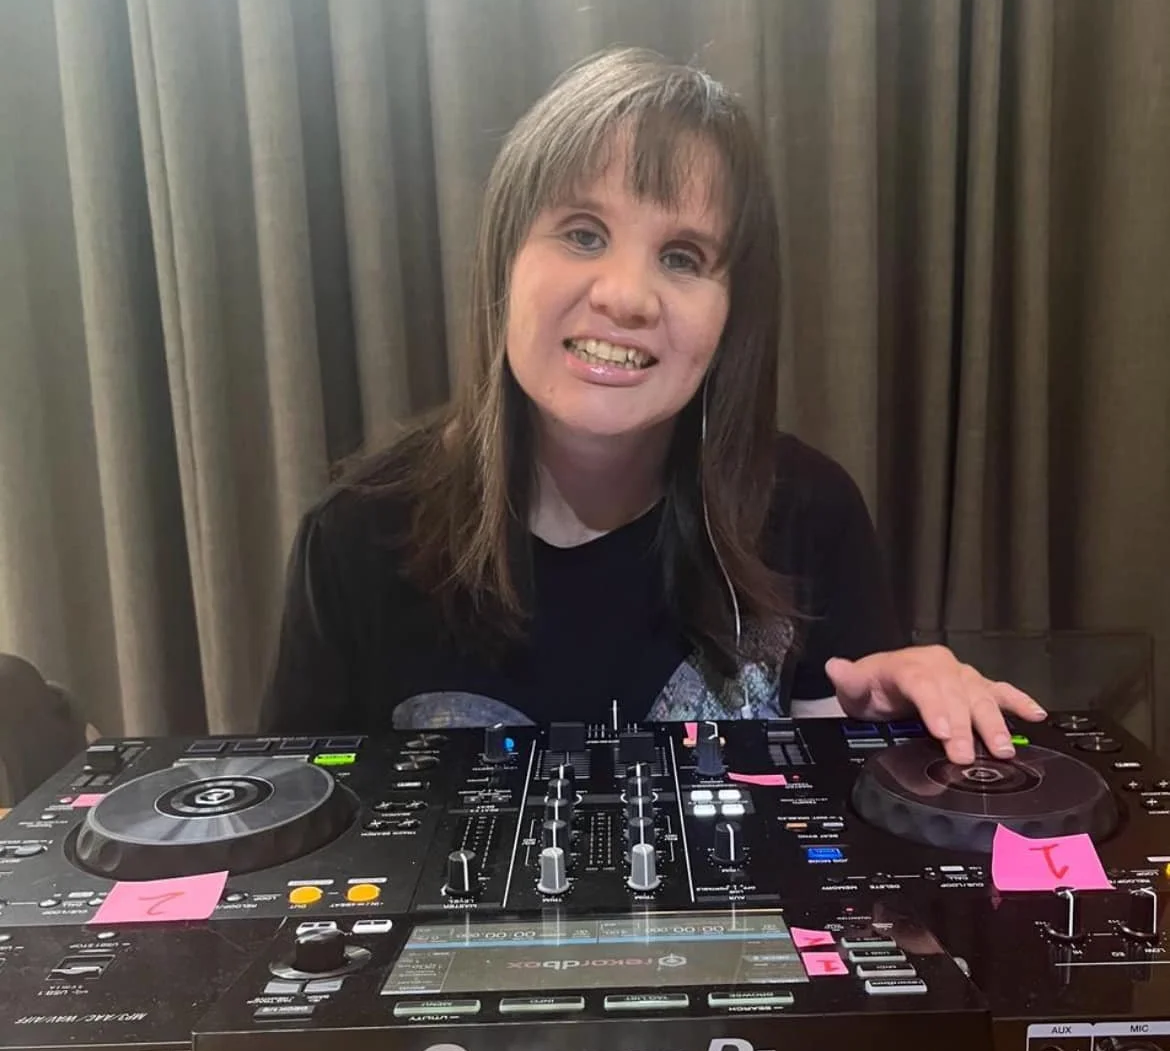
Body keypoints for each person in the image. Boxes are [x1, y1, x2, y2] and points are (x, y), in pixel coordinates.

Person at [259, 47, 1046, 767]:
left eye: (682, 257)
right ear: (505, 260)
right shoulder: (353, 539)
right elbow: (297, 853)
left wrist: (893, 745)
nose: (627, 296)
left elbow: (851, 856)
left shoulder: (810, 512)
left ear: (733, 314)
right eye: (582, 233)